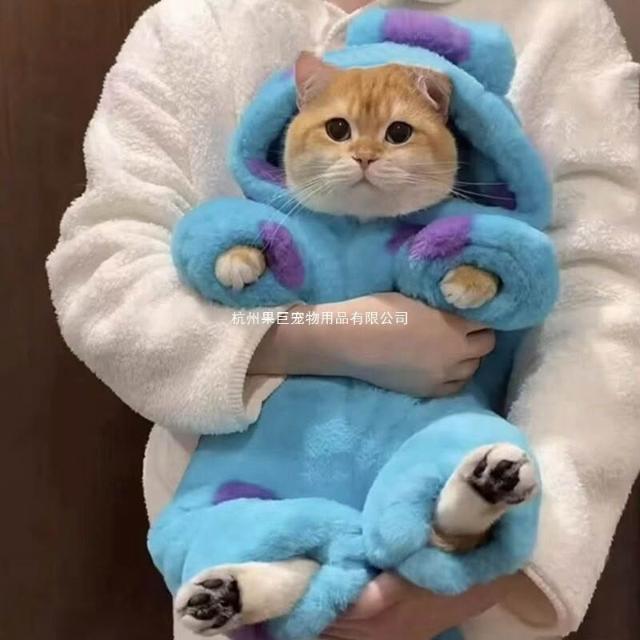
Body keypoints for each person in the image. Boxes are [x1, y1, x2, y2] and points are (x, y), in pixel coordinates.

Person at [46, 0, 640, 638]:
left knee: (457, 473)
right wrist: (326, 338)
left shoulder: (557, 19)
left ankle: (465, 521)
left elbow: (609, 299)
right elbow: (105, 265)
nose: (363, 154)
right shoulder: (194, 22)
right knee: (243, 547)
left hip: (469, 567)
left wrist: (506, 566)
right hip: (248, 492)